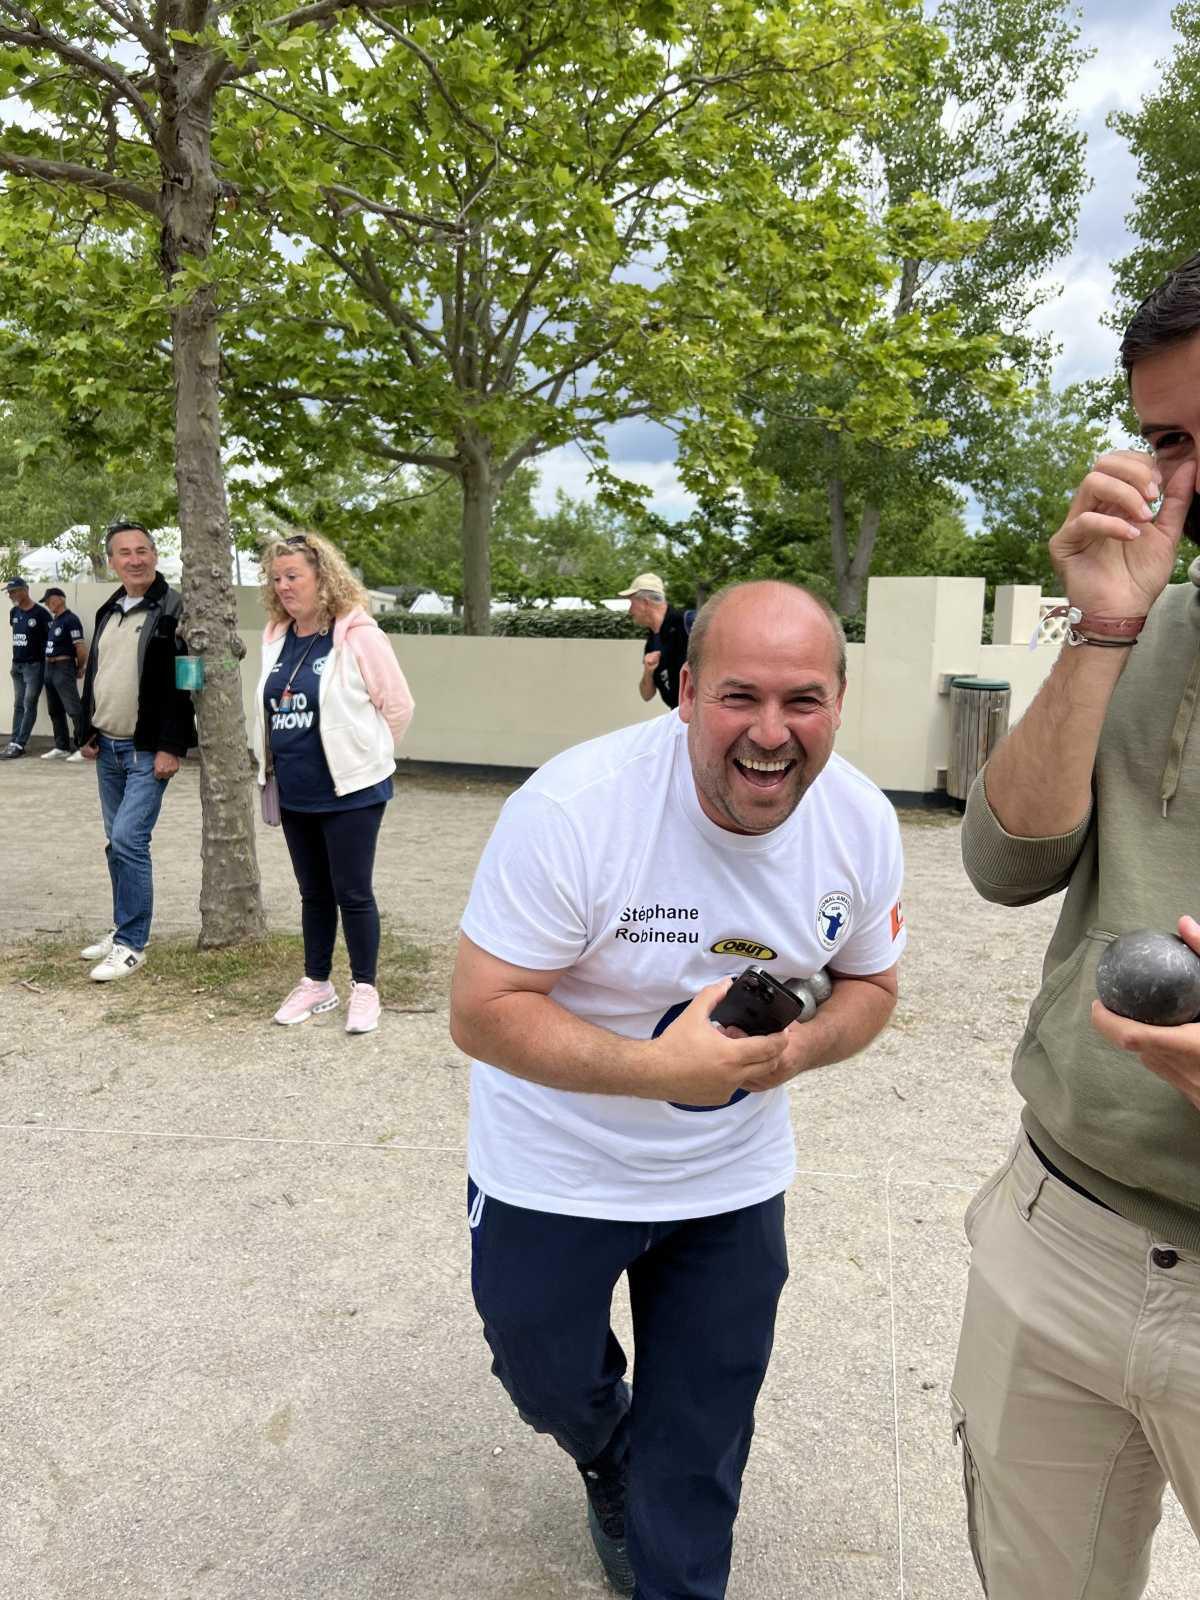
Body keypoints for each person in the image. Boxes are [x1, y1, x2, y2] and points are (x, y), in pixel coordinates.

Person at [450, 580, 906, 1600]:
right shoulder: (576, 808)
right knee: (546, 1378)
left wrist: (798, 1052)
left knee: (699, 1437)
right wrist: (663, 1069)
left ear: (840, 699)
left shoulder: (861, 824)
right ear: (688, 689)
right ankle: (608, 1447)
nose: (772, 733)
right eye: (741, 697)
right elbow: (482, 1009)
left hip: (728, 1181)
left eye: (804, 700)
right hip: (555, 1167)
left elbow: (872, 985)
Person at [954, 249, 1200, 1599]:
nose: (1190, 480)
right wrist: (1105, 632)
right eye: (1170, 440)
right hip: (1064, 1232)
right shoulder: (1155, 630)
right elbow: (1004, 860)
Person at [254, 531, 414, 1035]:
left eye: (293, 576)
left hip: (352, 791)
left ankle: (365, 988)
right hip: (294, 788)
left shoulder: (358, 633)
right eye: (276, 578)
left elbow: (398, 706)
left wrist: (366, 755)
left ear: (322, 577)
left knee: (353, 891)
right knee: (313, 893)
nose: (283, 586)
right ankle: (317, 983)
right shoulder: (276, 636)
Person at [75, 520, 196, 981]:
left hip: (148, 752)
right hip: (107, 747)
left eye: (142, 550)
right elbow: (101, 673)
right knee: (116, 845)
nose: (135, 559)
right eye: (124, 552)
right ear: (111, 561)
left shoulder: (174, 608)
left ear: (155, 555)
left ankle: (131, 944)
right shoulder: (109, 609)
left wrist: (172, 745)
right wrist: (87, 729)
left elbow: (189, 680)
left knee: (129, 839)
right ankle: (122, 926)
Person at [619, 572, 690, 709]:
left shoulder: (687, 623)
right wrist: (648, 671)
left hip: (699, 716)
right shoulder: (652, 642)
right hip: (677, 716)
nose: (629, 611)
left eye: (631, 603)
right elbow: (646, 695)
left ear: (645, 603)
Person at [2, 576, 51, 759]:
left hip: (34, 666)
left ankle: (20, 744)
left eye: (13, 591)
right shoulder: (14, 612)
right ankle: (13, 740)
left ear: (25, 590)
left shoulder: (41, 614)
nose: (11, 595)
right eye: (9, 592)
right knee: (18, 704)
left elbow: (49, 641)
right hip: (17, 666)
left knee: (29, 703)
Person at [39, 586, 87, 760]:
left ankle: (84, 747)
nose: (48, 604)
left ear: (60, 599)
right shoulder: (55, 621)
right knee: (54, 709)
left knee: (73, 708)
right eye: (46, 601)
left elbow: (80, 648)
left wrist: (80, 667)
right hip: (49, 668)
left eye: (50, 600)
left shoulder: (71, 620)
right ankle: (62, 746)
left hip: (63, 666)